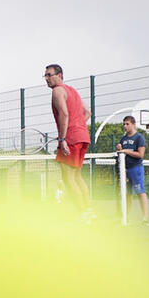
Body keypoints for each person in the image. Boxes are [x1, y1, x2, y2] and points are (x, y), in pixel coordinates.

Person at [45, 64, 94, 222]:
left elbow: (64, 113)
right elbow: (88, 112)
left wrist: (63, 138)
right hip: (82, 137)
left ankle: (83, 214)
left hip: (71, 139)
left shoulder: (57, 90)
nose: (46, 78)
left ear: (59, 75)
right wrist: (77, 126)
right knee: (77, 177)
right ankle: (89, 211)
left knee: (68, 179)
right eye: (45, 75)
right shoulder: (72, 90)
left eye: (49, 75)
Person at [116, 115, 149, 224]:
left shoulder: (139, 138)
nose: (125, 126)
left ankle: (145, 217)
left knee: (140, 192)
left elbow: (140, 154)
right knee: (127, 194)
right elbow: (121, 154)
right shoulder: (123, 139)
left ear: (133, 124)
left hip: (136, 169)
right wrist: (120, 150)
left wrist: (126, 151)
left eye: (127, 124)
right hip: (125, 170)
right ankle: (125, 217)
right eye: (124, 124)